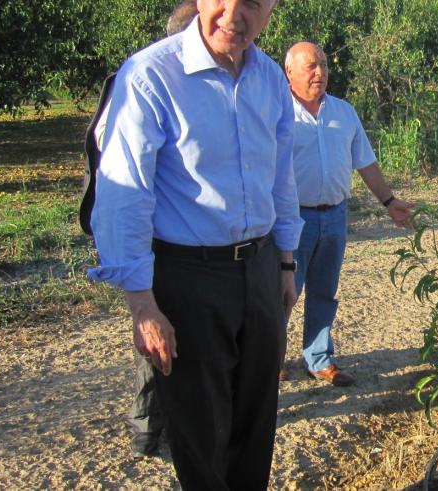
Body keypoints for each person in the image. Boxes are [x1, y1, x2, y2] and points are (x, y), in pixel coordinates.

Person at [87, 0, 302, 487]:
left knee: (255, 420)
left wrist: (285, 264)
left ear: (271, 9)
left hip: (262, 268)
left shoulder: (270, 79)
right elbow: (124, 195)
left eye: (252, 2)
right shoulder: (149, 77)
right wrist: (142, 304)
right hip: (188, 278)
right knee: (201, 434)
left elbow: (281, 177)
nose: (233, 14)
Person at [85, 0, 199, 459]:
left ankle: (157, 423)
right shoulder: (146, 79)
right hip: (152, 235)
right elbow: (112, 158)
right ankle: (151, 426)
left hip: (163, 233)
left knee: (169, 329)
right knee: (156, 328)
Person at [282, 41, 414, 386]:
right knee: (283, 293)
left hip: (335, 217)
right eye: (311, 66)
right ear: (289, 72)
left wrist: (389, 202)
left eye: (323, 65)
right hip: (291, 220)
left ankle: (319, 359)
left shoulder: (344, 112)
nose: (320, 73)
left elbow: (365, 162)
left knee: (324, 291)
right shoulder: (276, 114)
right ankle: (270, 359)